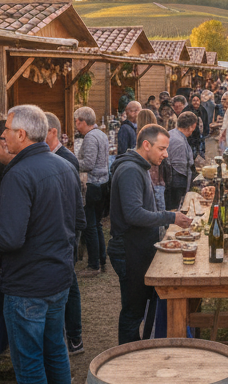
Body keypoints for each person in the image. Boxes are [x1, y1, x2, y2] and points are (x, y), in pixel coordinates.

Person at [0, 105, 86, 384]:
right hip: (57, 278)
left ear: (22, 134)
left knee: (30, 363)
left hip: (29, 284)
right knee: (54, 353)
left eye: (7, 130)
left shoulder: (19, 173)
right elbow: (77, 221)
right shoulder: (63, 165)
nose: (3, 135)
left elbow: (9, 238)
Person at [108, 124, 192, 343]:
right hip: (128, 249)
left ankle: (139, 351)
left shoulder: (139, 167)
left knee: (139, 307)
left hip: (138, 247)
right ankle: (128, 362)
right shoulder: (130, 171)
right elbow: (133, 214)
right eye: (162, 148)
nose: (166, 154)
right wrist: (170, 217)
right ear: (146, 145)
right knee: (133, 311)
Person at [43, 112, 84, 355]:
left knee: (70, 285)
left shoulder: (66, 158)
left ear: (53, 132)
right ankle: (74, 338)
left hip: (65, 232)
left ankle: (75, 338)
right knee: (70, 284)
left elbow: (71, 202)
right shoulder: (55, 157)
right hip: (63, 232)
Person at [74, 107, 109, 278]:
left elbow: (88, 163)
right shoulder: (101, 134)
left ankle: (94, 265)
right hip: (102, 184)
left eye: (76, 121)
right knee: (97, 225)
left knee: (90, 226)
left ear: (82, 121)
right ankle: (102, 260)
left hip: (93, 185)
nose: (75, 125)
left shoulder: (90, 137)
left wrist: (70, 161)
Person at [164, 112, 198, 210]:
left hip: (171, 181)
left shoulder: (172, 133)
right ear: (193, 126)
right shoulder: (179, 142)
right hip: (176, 184)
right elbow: (180, 168)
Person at [136, 108, 167, 210]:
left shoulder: (139, 142)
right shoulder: (159, 137)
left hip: (145, 180)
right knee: (160, 210)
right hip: (158, 179)